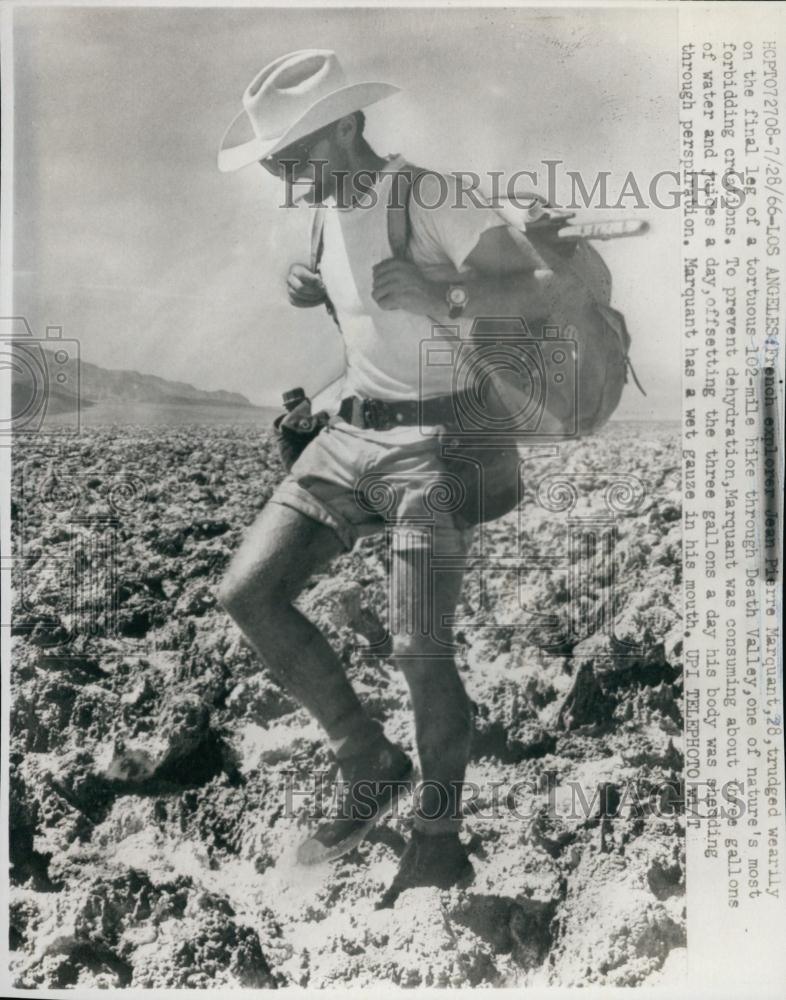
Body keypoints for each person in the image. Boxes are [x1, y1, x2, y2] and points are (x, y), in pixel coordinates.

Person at [216, 49, 564, 908]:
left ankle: (439, 840)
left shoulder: (432, 195)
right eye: (275, 165)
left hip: (437, 444)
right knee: (249, 593)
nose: (287, 178)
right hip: (350, 435)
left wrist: (446, 302)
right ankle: (368, 760)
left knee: (419, 650)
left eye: (296, 158)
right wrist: (305, 282)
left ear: (347, 125)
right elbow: (363, 323)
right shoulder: (316, 216)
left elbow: (539, 288)